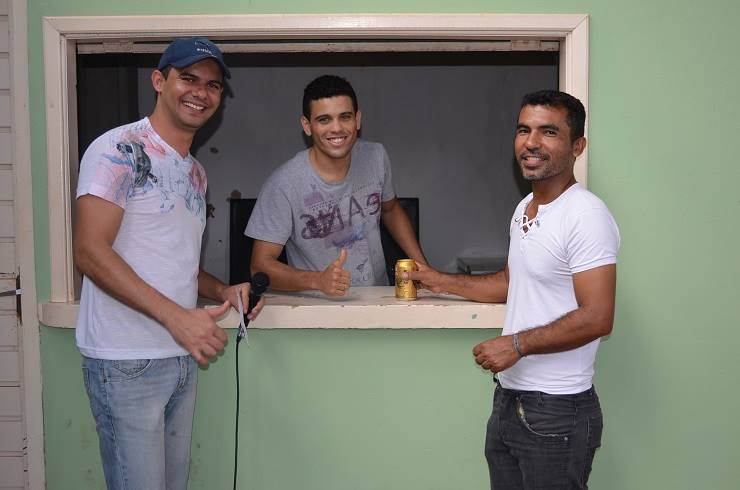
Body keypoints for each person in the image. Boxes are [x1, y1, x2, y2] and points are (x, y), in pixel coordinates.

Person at [73, 37, 264, 490]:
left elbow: (178, 264)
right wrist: (178, 318)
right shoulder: (119, 149)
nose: (201, 92)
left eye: (213, 85)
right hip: (126, 360)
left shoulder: (195, 172)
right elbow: (89, 251)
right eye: (188, 78)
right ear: (159, 81)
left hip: (179, 357)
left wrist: (222, 291)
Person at [404, 90, 620, 489]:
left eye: (548, 132)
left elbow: (598, 317)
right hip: (510, 399)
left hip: (557, 410)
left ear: (577, 146)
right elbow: (509, 282)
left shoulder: (586, 215)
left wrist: (516, 344)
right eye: (524, 130)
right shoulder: (525, 209)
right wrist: (438, 280)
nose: (531, 142)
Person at [246, 74, 427, 296]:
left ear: (357, 119)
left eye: (345, 117)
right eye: (324, 120)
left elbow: (390, 209)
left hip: (376, 296)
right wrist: (317, 280)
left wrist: (423, 267)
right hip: (316, 304)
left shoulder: (376, 156)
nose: (336, 128)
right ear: (307, 126)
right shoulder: (283, 183)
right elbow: (260, 266)